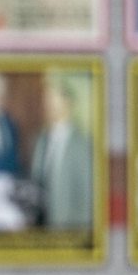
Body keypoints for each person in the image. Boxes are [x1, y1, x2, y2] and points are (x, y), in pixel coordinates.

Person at [29, 78, 93, 230]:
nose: (48, 104)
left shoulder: (83, 145)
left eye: (53, 98)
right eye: (45, 100)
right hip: (40, 229)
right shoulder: (39, 140)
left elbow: (87, 199)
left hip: (69, 230)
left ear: (67, 103)